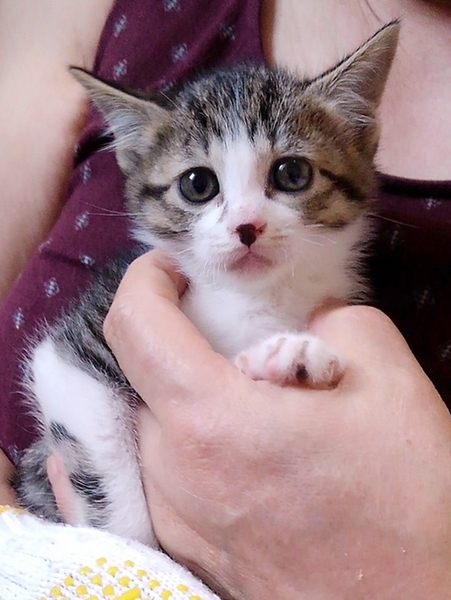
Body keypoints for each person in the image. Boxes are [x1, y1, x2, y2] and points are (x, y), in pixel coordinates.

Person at [1, 0, 451, 597]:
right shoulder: (173, 299)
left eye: (289, 175)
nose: (245, 220)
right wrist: (124, 545)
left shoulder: (335, 329)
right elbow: (62, 368)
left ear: (357, 136)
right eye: (200, 185)